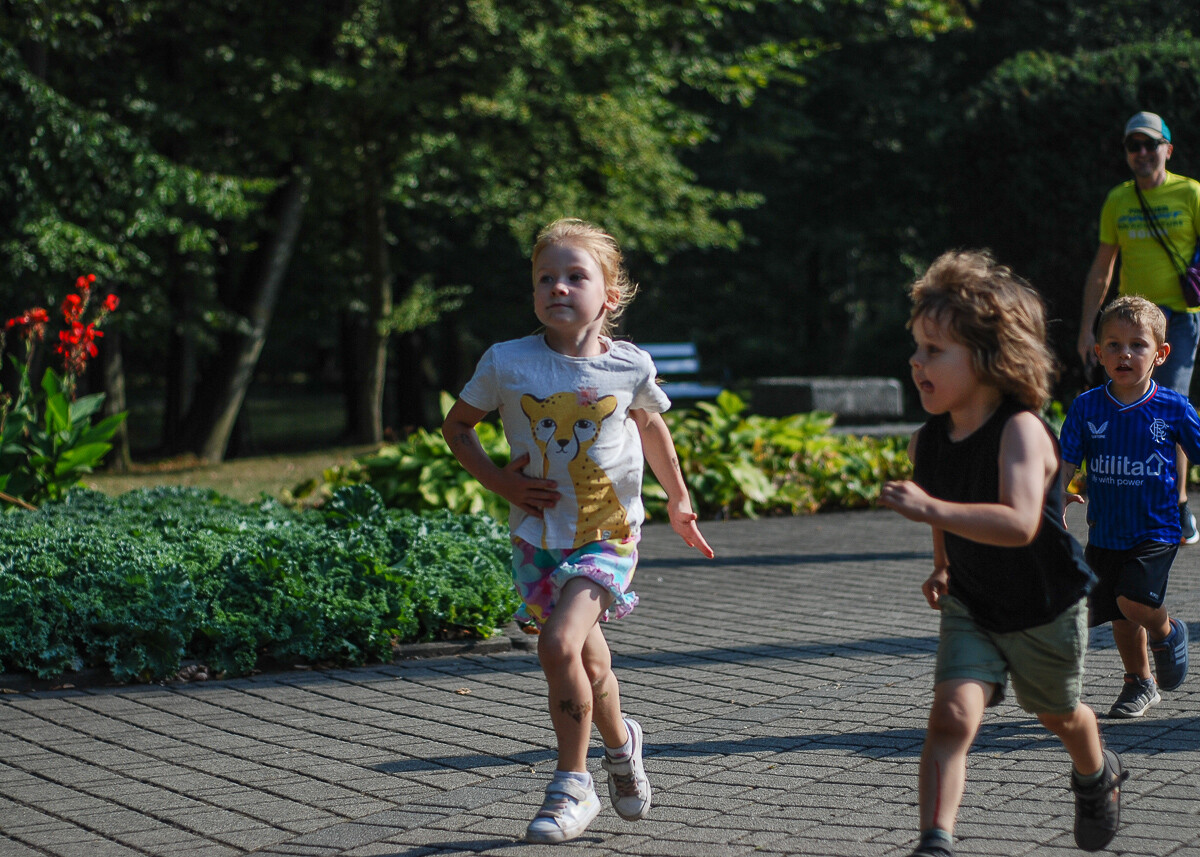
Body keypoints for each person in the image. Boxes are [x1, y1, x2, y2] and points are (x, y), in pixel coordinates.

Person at [442, 217, 714, 844]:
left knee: (559, 646)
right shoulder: (507, 363)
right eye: (545, 278)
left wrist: (679, 499)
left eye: (574, 276)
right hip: (537, 538)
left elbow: (650, 427)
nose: (557, 288)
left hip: (608, 534)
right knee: (589, 666)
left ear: (608, 296)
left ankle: (572, 785)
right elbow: (458, 427)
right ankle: (622, 745)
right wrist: (500, 482)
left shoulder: (628, 365)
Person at [880, 251, 1127, 857]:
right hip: (973, 604)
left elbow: (1018, 523)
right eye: (916, 346)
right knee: (951, 718)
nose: (916, 361)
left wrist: (930, 512)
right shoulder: (929, 439)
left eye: (934, 350)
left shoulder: (1022, 430)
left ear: (991, 359)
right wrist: (941, 562)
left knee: (1059, 716)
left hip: (1044, 608)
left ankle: (1097, 773)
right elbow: (942, 502)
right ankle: (935, 843)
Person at [1060, 296, 1193, 719]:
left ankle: (1168, 631)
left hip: (1157, 530)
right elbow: (1065, 462)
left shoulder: (1173, 407)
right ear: (1098, 353)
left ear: (1160, 354)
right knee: (1118, 608)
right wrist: (1054, 496)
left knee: (1134, 600)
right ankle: (1139, 682)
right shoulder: (1086, 407)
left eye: (1137, 344)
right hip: (1106, 530)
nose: (1125, 354)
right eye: (1114, 345)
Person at [1078, 110, 1200, 544]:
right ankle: (1142, 496)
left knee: (1174, 403)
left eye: (1151, 144)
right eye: (1135, 145)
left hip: (1179, 320)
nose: (1143, 152)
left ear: (1168, 148)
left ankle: (1178, 502)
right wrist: (1088, 328)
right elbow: (1102, 268)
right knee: (1129, 404)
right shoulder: (1119, 199)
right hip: (1131, 320)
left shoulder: (1191, 193)